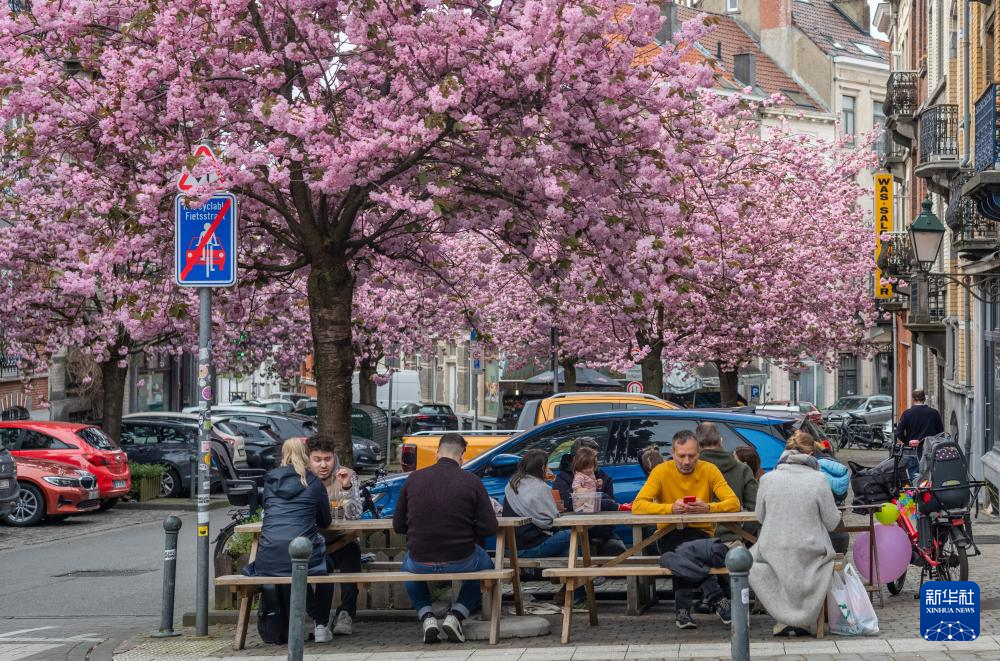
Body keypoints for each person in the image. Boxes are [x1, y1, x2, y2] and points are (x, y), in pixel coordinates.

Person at [392, 433, 498, 644]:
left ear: (437, 453)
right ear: (462, 456)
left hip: (421, 560)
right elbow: (489, 527)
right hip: (462, 558)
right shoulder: (472, 481)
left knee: (407, 567)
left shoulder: (413, 479)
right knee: (487, 566)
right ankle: (456, 615)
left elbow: (398, 525)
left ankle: (427, 617)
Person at [633, 430, 739, 630]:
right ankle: (718, 600)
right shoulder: (661, 471)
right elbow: (638, 505)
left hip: (701, 535)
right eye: (681, 456)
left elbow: (733, 503)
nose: (687, 461)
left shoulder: (709, 469)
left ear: (699, 453)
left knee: (679, 553)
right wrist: (670, 508)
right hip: (669, 533)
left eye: (692, 455)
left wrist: (708, 507)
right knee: (683, 547)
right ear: (673, 453)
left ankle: (682, 611)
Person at [749, 431, 841, 637]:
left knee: (755, 561)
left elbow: (760, 517)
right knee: (814, 560)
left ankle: (785, 617)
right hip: (811, 551)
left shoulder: (767, 479)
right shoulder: (819, 480)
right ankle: (802, 618)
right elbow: (832, 523)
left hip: (773, 550)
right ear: (811, 454)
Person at [250, 438, 334, 643]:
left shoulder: (270, 482)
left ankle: (306, 622)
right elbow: (325, 521)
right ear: (306, 456)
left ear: (283, 455)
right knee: (325, 567)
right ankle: (321, 624)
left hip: (268, 557)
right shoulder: (313, 482)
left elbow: (268, 510)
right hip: (300, 555)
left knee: (290, 566)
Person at [306, 433, 363, 636]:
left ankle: (346, 613)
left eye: (327, 459)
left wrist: (347, 488)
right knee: (293, 567)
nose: (323, 465)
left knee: (352, 553)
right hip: (312, 544)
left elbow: (355, 515)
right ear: (308, 459)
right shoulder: (302, 479)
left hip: (341, 540)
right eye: (317, 459)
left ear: (334, 457)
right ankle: (318, 617)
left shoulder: (347, 475)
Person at [553, 437, 627, 553]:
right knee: (575, 550)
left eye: (596, 457)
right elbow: (567, 505)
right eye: (591, 457)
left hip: (602, 530)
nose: (595, 461)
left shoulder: (602, 476)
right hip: (575, 530)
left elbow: (612, 507)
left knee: (616, 549)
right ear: (577, 458)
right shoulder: (563, 478)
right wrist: (597, 500)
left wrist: (603, 532)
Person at [504, 450, 573, 557]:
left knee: (567, 548)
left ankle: (568, 567)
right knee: (574, 534)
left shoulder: (512, 484)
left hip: (510, 548)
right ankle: (579, 567)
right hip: (528, 547)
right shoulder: (540, 487)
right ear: (542, 468)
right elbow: (551, 521)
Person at [896, 389, 944, 481]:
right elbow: (940, 433)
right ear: (924, 398)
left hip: (913, 450)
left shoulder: (907, 413)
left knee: (914, 477)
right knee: (930, 476)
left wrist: (908, 442)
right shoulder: (934, 413)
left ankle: (916, 490)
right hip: (930, 450)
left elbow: (898, 432)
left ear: (913, 399)